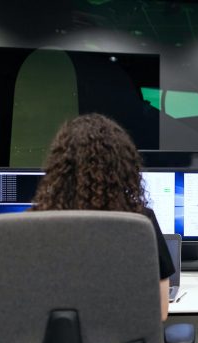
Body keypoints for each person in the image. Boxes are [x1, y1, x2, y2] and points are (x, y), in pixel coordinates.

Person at [30, 113, 175, 321]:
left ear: (58, 166)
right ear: (122, 168)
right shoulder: (140, 223)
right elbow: (160, 312)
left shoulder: (33, 226)